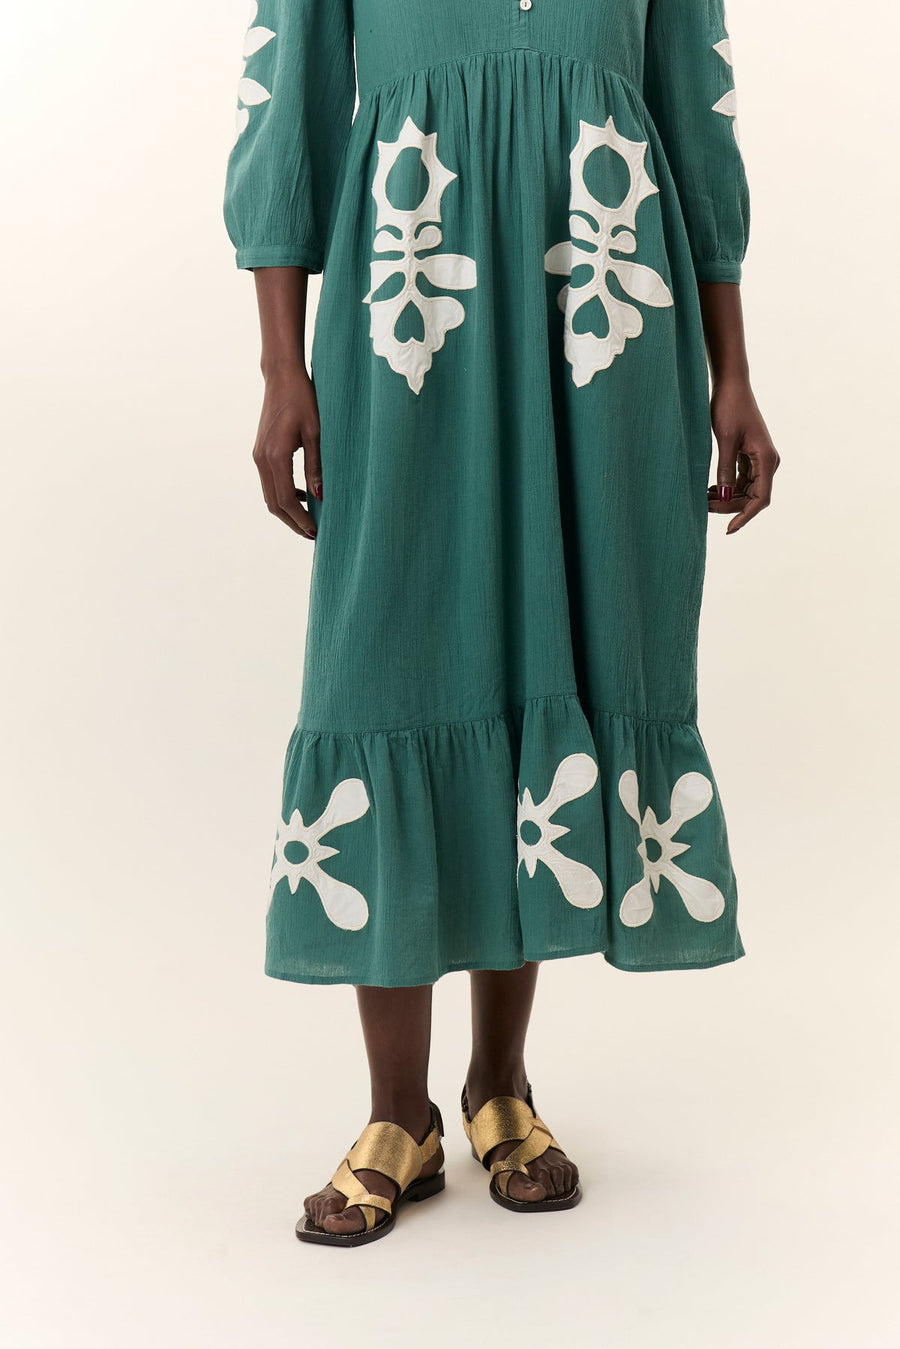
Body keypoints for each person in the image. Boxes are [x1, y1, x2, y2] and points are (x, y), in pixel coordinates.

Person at [223, 0, 779, 1247]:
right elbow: (285, 112)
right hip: (405, 312)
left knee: (545, 647)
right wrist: (279, 367)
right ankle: (395, 1113)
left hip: (608, 321)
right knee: (388, 668)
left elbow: (699, 122)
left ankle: (499, 1085)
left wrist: (735, 372)